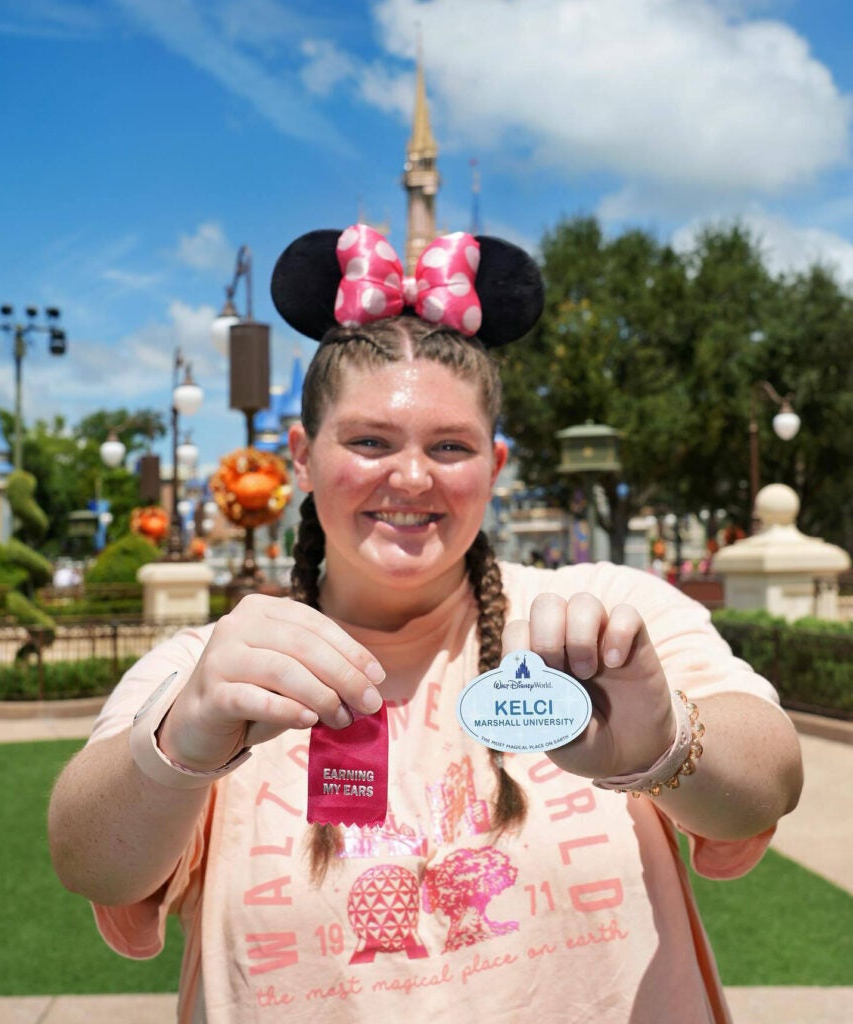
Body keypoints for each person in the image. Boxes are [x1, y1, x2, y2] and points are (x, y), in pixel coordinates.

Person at [48, 223, 802, 1024]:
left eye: (450, 446)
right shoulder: (217, 669)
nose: (411, 477)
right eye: (369, 441)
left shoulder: (602, 615)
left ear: (494, 467)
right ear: (301, 457)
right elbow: (89, 860)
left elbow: (769, 781)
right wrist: (181, 742)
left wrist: (663, 745)